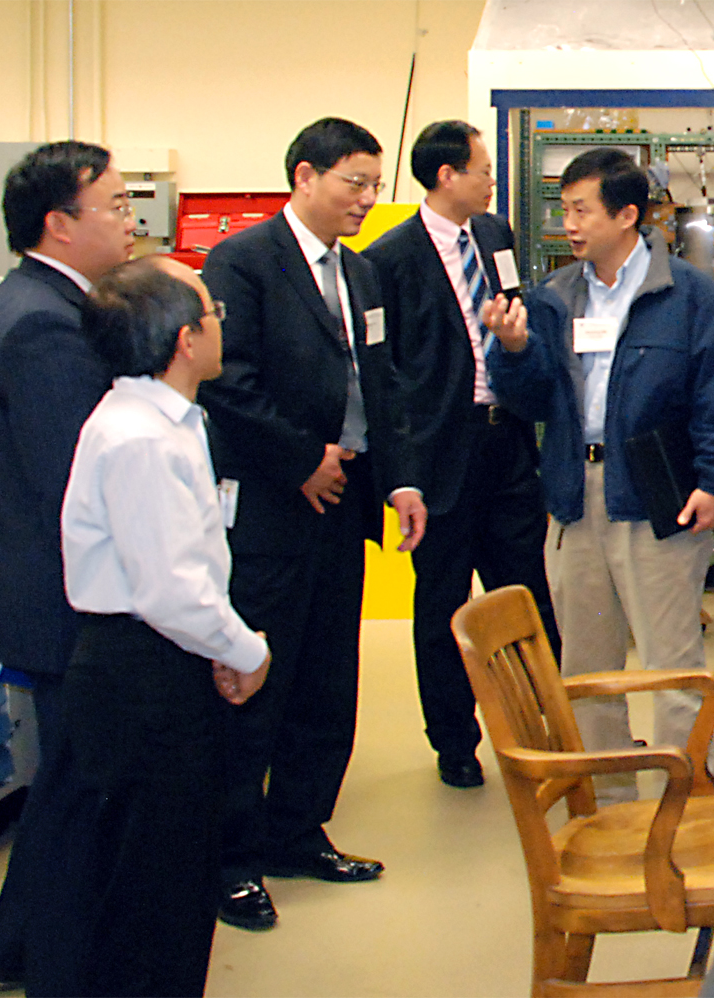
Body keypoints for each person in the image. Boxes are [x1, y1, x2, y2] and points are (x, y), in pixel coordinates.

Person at [483, 148, 714, 804]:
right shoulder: (554, 299)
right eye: (564, 210)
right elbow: (530, 404)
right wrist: (515, 351)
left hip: (658, 499)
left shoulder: (689, 296)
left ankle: (688, 806)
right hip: (573, 499)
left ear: (628, 216)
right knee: (587, 672)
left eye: (582, 209)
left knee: (674, 671)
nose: (569, 224)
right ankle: (606, 809)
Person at [18, 255, 272, 998]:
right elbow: (171, 588)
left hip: (166, 658)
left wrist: (216, 644)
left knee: (175, 873)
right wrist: (245, 650)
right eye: (211, 313)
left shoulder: (165, 420)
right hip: (140, 670)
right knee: (153, 890)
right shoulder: (141, 438)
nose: (220, 323)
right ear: (183, 340)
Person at [200, 117, 427, 931]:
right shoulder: (244, 263)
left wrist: (400, 480)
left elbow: (384, 384)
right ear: (305, 176)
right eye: (354, 183)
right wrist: (301, 459)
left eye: (374, 184)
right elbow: (227, 380)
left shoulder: (360, 274)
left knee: (330, 678)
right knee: (259, 679)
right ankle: (230, 861)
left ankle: (299, 830)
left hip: (344, 504)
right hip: (272, 506)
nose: (368, 199)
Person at [363, 120, 559, 788]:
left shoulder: (495, 235)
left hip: (505, 442)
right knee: (443, 606)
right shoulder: (388, 260)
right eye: (481, 169)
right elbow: (383, 374)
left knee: (525, 592)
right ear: (446, 175)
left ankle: (542, 721)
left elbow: (511, 307)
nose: (491, 181)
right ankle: (453, 741)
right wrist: (403, 474)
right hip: (441, 454)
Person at [0, 140, 136, 985]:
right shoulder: (44, 321)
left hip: (48, 593)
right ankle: (60, 968)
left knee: (70, 787)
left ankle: (15, 949)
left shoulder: (41, 302)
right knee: (81, 792)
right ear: (58, 224)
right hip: (62, 601)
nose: (129, 219)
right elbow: (73, 484)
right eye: (112, 205)